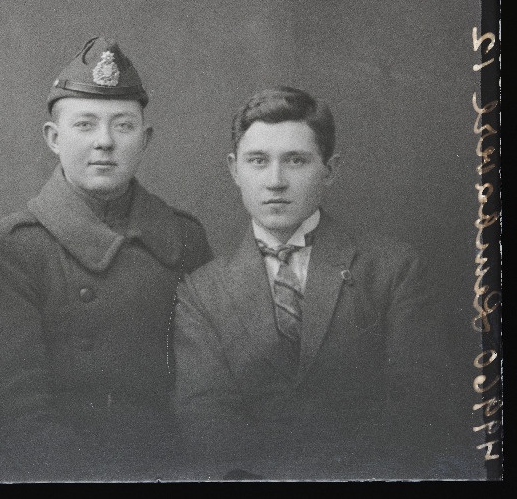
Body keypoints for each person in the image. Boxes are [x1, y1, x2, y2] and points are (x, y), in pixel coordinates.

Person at [173, 86, 454, 479]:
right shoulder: (201, 292)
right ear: (235, 170)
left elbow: (417, 409)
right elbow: (206, 420)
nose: (275, 181)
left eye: (296, 161)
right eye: (258, 161)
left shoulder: (392, 270)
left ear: (329, 170)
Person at [0, 37, 213, 480]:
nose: (105, 142)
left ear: (145, 139)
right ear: (53, 138)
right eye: (85, 125)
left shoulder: (185, 238)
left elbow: (210, 389)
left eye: (123, 126)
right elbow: (17, 412)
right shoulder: (12, 249)